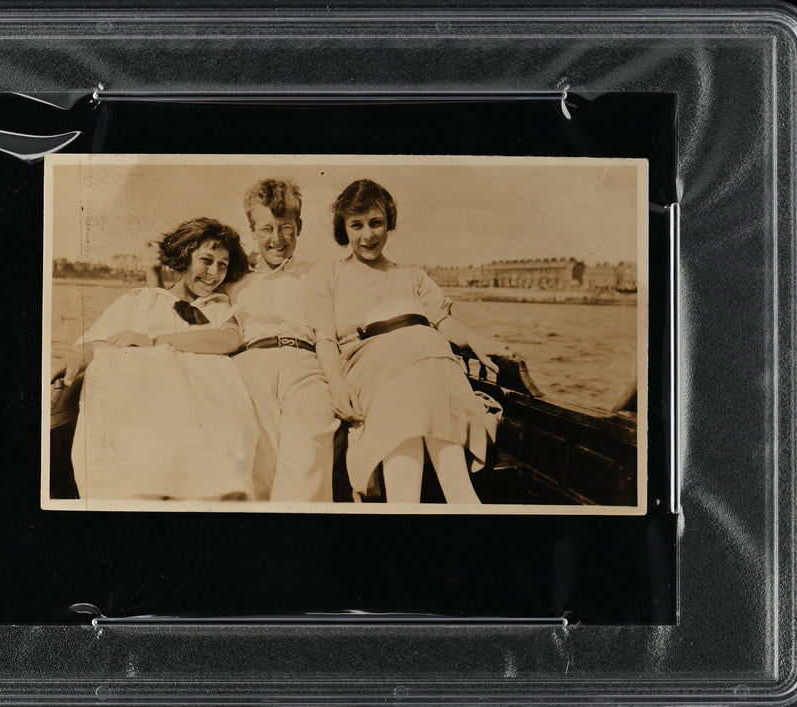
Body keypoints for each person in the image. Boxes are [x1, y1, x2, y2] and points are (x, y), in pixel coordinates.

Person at [306, 179, 508, 503]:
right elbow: (326, 338)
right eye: (357, 225)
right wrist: (336, 385)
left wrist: (474, 340)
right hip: (371, 370)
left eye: (376, 223)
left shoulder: (412, 276)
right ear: (343, 228)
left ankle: (430, 501)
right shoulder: (328, 275)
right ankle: (459, 498)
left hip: (425, 363)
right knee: (414, 372)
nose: (368, 235)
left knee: (425, 358)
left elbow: (443, 322)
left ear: (389, 222)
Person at [145, 179, 339, 501]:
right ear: (252, 230)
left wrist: (339, 384)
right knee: (256, 463)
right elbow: (180, 306)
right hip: (250, 364)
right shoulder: (234, 277)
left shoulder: (317, 274)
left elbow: (328, 332)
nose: (276, 239)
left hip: (305, 365)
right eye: (266, 229)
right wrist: (153, 277)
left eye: (286, 228)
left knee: (307, 455)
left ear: (299, 227)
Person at [66, 217, 259, 501]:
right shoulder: (142, 299)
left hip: (206, 409)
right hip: (149, 408)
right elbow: (99, 339)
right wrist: (73, 358)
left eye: (223, 265)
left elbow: (228, 340)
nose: (214, 272)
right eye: (206, 260)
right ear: (183, 257)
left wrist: (154, 342)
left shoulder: (219, 306)